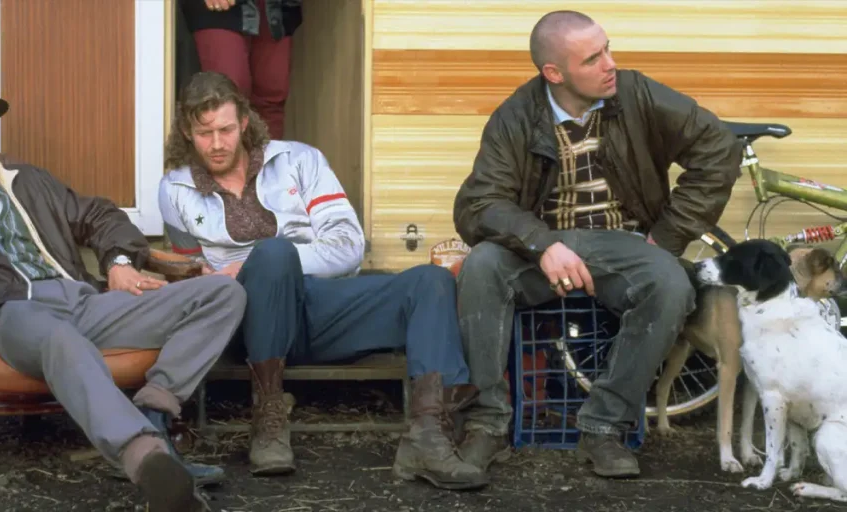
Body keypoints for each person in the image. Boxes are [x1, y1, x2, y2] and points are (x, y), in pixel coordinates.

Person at [0, 70, 246, 511]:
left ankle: (154, 408)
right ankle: (147, 461)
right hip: (9, 311)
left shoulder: (24, 178)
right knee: (60, 338)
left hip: (82, 300)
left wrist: (119, 262)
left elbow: (99, 215)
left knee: (222, 294)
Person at [158, 71, 487, 490]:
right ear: (188, 131)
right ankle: (269, 422)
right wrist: (228, 276)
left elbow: (348, 246)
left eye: (225, 129)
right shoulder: (174, 189)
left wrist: (255, 263)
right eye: (204, 133)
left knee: (430, 282)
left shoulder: (299, 160)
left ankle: (428, 439)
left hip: (316, 304)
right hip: (245, 323)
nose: (217, 143)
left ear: (243, 121)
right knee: (273, 254)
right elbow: (191, 270)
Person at [452, 11, 742, 478]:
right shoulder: (517, 115)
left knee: (670, 284)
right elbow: (480, 201)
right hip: (543, 247)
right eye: (593, 58)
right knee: (482, 266)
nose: (610, 64)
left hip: (621, 243)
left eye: (608, 48)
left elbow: (718, 148)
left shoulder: (636, 93)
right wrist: (542, 243)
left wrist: (664, 238)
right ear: (554, 73)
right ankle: (487, 423)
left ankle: (604, 427)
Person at [179, 0, 302, 139]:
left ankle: (265, 160)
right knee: (226, 98)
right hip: (219, 11)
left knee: (271, 98)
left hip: (274, 8)